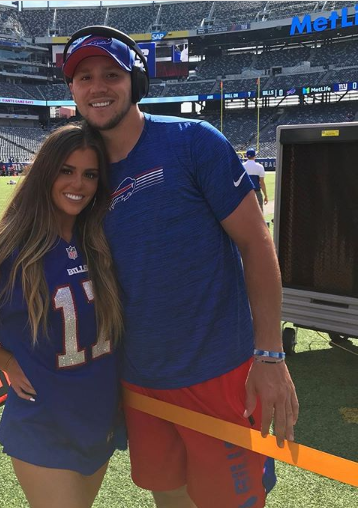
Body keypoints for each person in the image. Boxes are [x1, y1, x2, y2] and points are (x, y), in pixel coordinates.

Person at [63, 26, 299, 508]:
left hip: (219, 373)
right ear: (72, 90)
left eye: (111, 74)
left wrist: (270, 354)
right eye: (84, 77)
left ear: (136, 82)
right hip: (139, 379)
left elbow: (257, 245)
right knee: (168, 496)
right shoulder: (81, 172)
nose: (97, 87)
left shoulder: (192, 141)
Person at [0, 123, 124, 508]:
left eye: (89, 174)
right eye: (66, 170)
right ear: (44, 172)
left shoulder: (98, 237)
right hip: (43, 420)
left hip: (99, 413)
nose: (78, 184)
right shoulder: (3, 246)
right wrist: (5, 360)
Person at [243, 148, 268, 213]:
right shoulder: (260, 166)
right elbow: (262, 183)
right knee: (259, 213)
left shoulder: (242, 166)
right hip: (256, 192)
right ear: (254, 156)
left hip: (245, 193)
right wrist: (265, 195)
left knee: (246, 213)